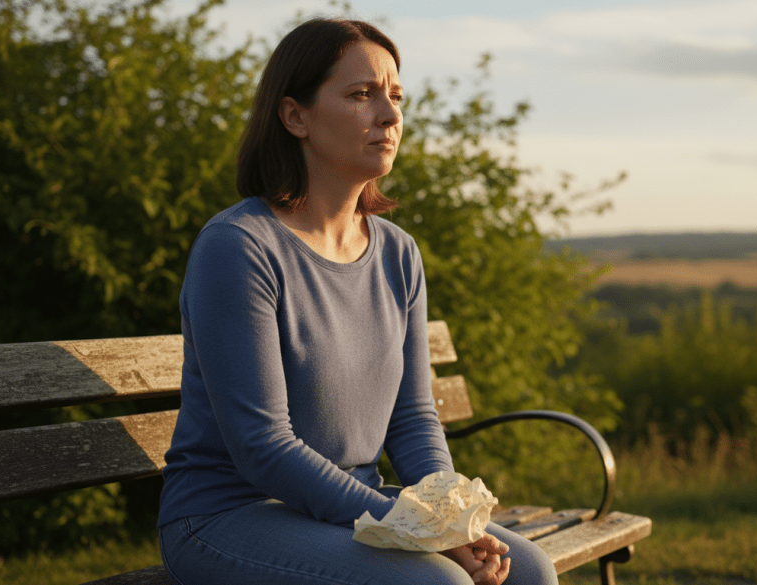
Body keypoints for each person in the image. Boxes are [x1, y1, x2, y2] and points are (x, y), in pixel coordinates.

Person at [156, 17, 559, 585]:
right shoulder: (239, 248)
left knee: (530, 572)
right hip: (228, 516)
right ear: (295, 116)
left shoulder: (397, 253)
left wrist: (446, 521)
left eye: (395, 96)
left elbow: (415, 421)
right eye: (361, 95)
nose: (391, 116)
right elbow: (263, 448)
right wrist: (411, 529)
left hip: (349, 509)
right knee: (434, 583)